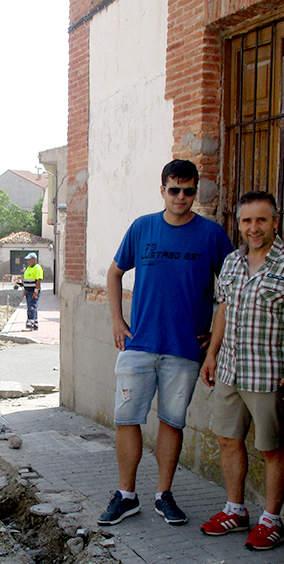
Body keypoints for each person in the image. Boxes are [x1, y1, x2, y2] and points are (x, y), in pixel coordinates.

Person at [97, 159, 234, 526]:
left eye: (188, 191)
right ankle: (126, 495)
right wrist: (116, 320)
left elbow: (233, 289)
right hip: (139, 344)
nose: (181, 197)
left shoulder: (212, 235)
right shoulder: (142, 228)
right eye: (174, 190)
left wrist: (216, 336)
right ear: (162, 190)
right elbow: (114, 272)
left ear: (196, 192)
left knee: (172, 423)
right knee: (127, 419)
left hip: (185, 349)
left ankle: (164, 494)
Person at [199, 191, 284, 550]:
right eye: (247, 220)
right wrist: (212, 354)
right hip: (230, 371)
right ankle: (235, 510)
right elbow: (223, 309)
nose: (254, 227)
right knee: (227, 440)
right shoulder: (232, 262)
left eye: (261, 219)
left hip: (268, 375)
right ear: (239, 224)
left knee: (271, 448)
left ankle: (272, 520)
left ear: (275, 222)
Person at [22, 253, 44, 330]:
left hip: (33, 291)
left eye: (29, 259)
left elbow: (39, 280)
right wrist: (24, 290)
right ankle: (35, 323)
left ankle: (29, 324)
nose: (28, 261)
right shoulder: (28, 268)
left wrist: (36, 291)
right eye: (28, 260)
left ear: (34, 259)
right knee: (31, 306)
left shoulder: (37, 268)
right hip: (28, 291)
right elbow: (25, 280)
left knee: (32, 307)